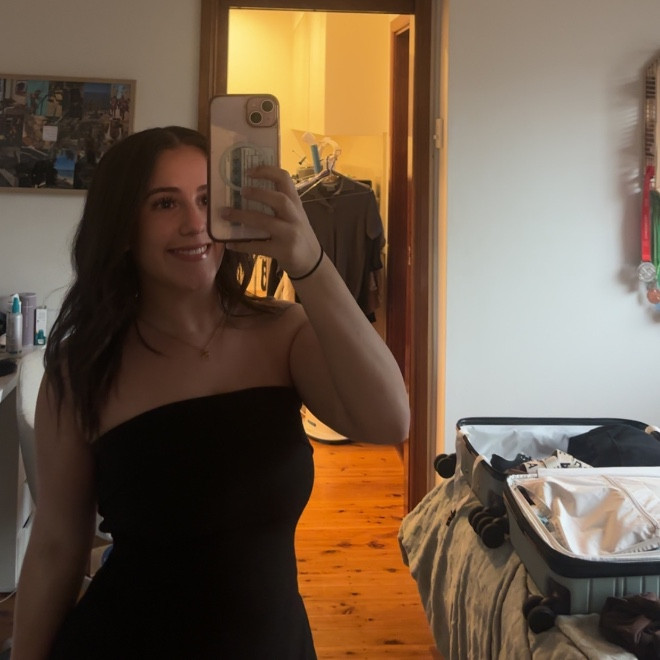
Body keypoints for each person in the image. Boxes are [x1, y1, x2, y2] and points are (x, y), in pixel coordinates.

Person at [10, 126, 409, 659]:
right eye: (165, 203)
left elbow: (389, 421)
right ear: (123, 227)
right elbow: (56, 547)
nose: (195, 222)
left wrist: (307, 260)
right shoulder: (80, 371)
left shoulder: (284, 334)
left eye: (207, 199)